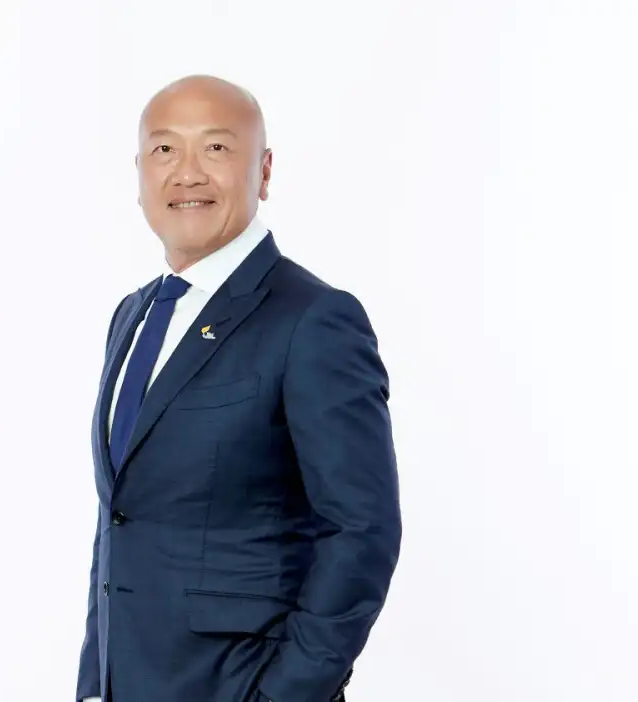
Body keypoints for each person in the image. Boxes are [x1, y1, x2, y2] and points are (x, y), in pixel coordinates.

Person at [75, 74, 402, 702]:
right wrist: (96, 683)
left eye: (217, 148)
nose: (187, 173)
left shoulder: (313, 318)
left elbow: (362, 530)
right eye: (164, 149)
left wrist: (286, 694)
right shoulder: (135, 316)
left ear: (264, 171)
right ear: (140, 172)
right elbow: (121, 518)